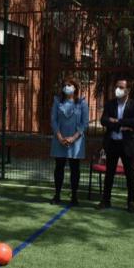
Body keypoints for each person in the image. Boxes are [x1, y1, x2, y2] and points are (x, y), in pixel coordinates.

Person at [96, 78, 134, 213]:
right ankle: (105, 200)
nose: (117, 89)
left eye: (121, 87)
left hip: (127, 145)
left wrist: (116, 121)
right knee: (109, 173)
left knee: (130, 174)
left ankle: (131, 202)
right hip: (112, 143)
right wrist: (121, 126)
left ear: (128, 90)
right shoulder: (110, 104)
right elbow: (103, 120)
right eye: (116, 86)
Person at [49, 76, 89, 206]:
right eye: (65, 85)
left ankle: (74, 196)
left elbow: (85, 123)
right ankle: (57, 195)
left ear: (75, 87)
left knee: (75, 169)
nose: (67, 87)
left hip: (76, 141)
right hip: (59, 139)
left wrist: (74, 137)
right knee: (59, 167)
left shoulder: (82, 102)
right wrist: (59, 136)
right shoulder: (57, 101)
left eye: (70, 85)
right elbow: (53, 120)